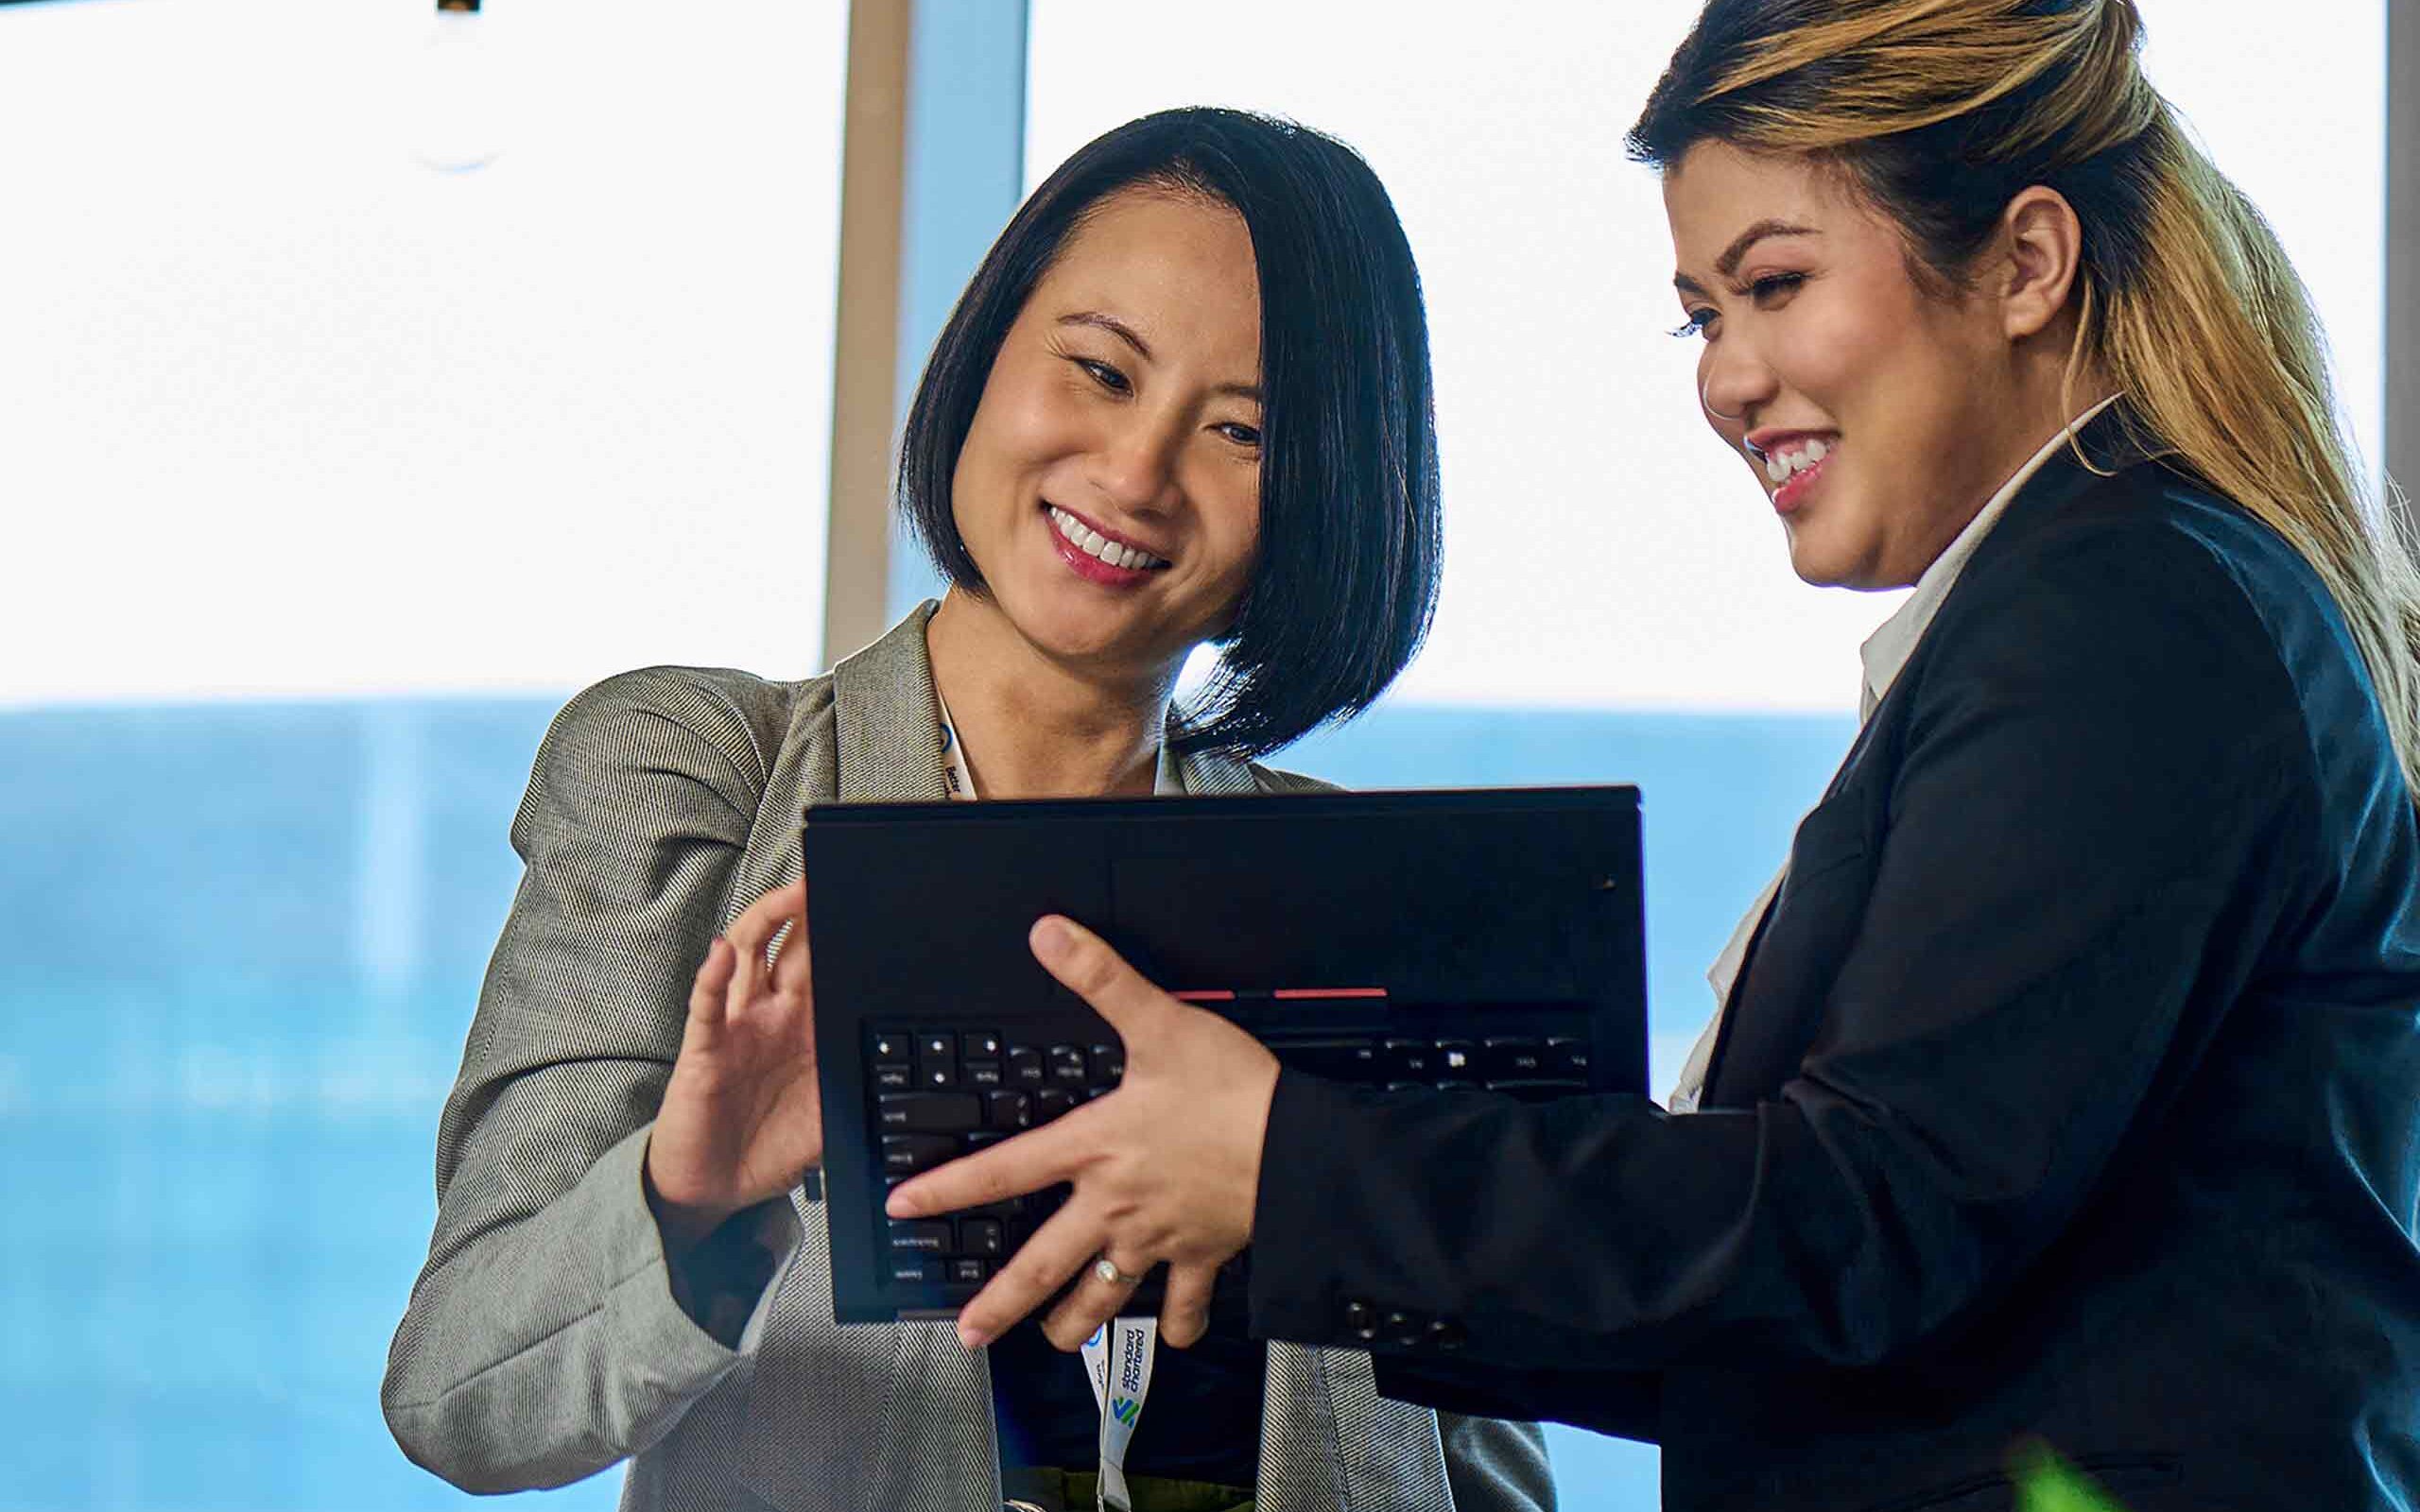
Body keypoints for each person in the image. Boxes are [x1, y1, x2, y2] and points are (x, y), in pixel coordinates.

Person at [887, 5, 2420, 1508]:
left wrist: (1288, 1164)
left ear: (2024, 264)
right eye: (1703, 314)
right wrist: (1295, 1189)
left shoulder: (2124, 618)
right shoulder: (2103, 601)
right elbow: (1812, 1302)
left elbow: (1856, 1233)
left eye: (1774, 284)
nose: (1725, 379)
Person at [380, 107, 1554, 1512]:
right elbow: (458, 1397)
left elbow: (1479, 1456)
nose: (1134, 473)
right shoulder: (694, 769)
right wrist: (687, 1198)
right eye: (1100, 371)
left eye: (1240, 429)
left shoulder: (1362, 899)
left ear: (1330, 494)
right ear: (988, 359)